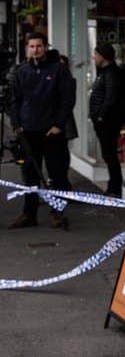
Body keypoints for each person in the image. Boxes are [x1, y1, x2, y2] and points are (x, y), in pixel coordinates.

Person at [7, 33, 75, 229]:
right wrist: (16, 122)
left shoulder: (59, 70)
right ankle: (29, 214)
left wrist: (58, 125)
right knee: (29, 175)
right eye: (32, 46)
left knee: (57, 174)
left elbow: (67, 100)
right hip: (27, 131)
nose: (35, 49)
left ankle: (57, 213)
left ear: (46, 47)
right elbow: (14, 100)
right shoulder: (21, 72)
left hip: (51, 132)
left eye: (39, 46)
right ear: (27, 48)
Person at [89, 44, 125, 197]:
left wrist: (100, 116)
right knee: (108, 155)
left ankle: (114, 188)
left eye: (95, 54)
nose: (93, 57)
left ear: (103, 56)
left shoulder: (111, 73)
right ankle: (113, 187)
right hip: (105, 121)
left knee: (110, 155)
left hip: (108, 122)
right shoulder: (106, 72)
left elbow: (110, 97)